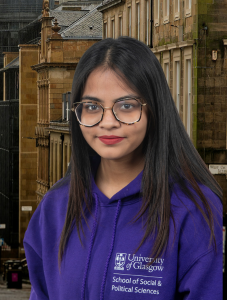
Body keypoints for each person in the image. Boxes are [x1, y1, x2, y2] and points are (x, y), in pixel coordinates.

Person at [23, 37, 223, 299]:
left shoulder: (193, 209)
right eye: (93, 107)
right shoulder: (55, 208)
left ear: (154, 109)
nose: (108, 122)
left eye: (126, 106)